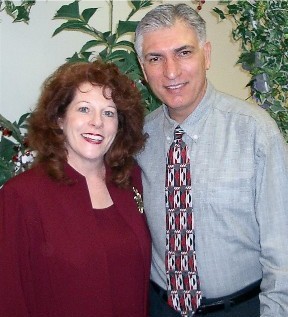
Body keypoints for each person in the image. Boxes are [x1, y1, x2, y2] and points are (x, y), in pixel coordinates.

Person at [134, 3, 288, 317]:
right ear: (142, 66)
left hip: (241, 309)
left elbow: (283, 251)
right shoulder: (138, 139)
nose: (171, 71)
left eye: (184, 52)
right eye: (155, 58)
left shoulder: (255, 132)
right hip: (161, 308)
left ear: (206, 54)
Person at [0, 61, 151, 317]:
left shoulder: (131, 181)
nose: (97, 122)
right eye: (84, 109)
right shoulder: (21, 196)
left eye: (109, 113)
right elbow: (9, 296)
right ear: (59, 119)